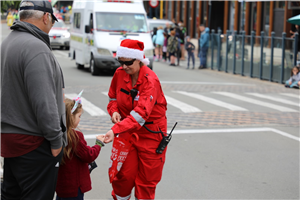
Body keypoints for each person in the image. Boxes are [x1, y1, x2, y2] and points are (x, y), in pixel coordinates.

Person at [0, 0, 66, 200]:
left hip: (10, 139)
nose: (52, 25)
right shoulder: (36, 47)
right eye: (52, 20)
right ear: (46, 17)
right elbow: (44, 102)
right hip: (34, 141)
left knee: (12, 195)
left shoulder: (8, 42)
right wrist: (56, 140)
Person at [104, 39, 168, 200]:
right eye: (121, 62)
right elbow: (112, 98)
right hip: (127, 133)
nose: (124, 67)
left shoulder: (150, 81)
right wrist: (114, 111)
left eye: (128, 63)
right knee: (123, 176)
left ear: (139, 60)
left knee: (146, 182)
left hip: (151, 136)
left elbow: (140, 115)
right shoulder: (120, 73)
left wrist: (114, 130)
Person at [56, 93, 105, 200]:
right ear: (70, 117)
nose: (80, 119)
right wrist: (98, 143)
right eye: (79, 116)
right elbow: (89, 155)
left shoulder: (56, 134)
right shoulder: (75, 137)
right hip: (75, 187)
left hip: (61, 186)